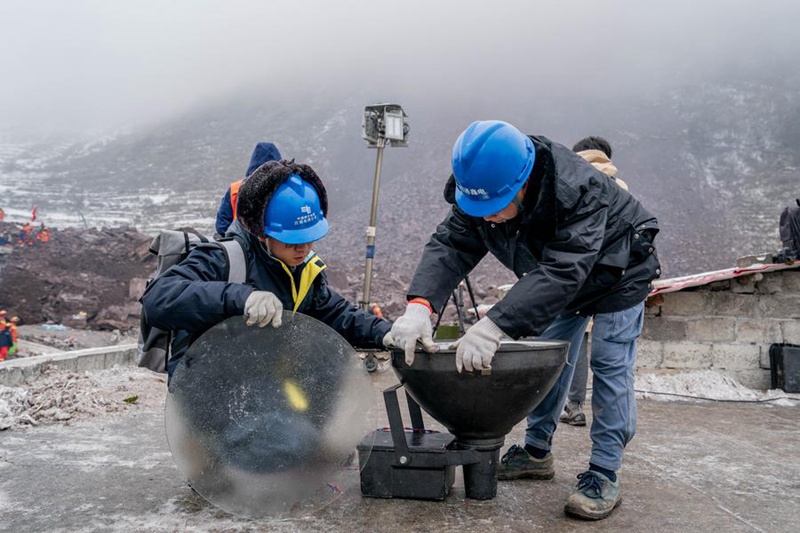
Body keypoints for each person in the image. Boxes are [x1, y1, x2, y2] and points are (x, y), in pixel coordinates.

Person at [390, 120, 660, 520]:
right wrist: (420, 307)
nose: (489, 218)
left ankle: (604, 472)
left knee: (609, 361)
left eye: (496, 208)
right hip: (562, 274)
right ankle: (536, 452)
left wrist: (495, 325)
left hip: (619, 272)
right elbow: (450, 245)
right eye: (480, 209)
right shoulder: (482, 188)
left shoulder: (578, 190)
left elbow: (564, 270)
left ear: (524, 182)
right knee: (546, 356)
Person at [142, 159, 393, 378]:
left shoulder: (302, 272)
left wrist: (387, 333)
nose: (303, 249)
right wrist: (242, 298)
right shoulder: (225, 259)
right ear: (263, 233)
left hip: (264, 389)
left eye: (309, 238)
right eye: (291, 241)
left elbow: (340, 316)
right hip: (207, 395)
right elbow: (159, 298)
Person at [559, 136, 628, 427]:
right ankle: (606, 453)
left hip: (576, 281)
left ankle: (568, 409)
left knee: (564, 349)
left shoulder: (568, 185)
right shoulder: (622, 188)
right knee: (612, 364)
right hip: (617, 284)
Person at [215, 142, 282, 238]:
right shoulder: (284, 190)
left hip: (241, 246)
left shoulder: (235, 189)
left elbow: (222, 225)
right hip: (278, 247)